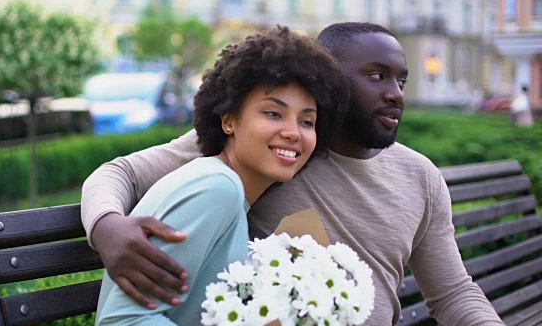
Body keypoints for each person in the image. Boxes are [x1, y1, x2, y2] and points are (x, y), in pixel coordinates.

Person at [82, 22, 505, 325]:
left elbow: (453, 294)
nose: (395, 93)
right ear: (331, 81)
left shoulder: (419, 176)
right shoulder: (259, 149)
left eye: (402, 80)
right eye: (376, 76)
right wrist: (106, 227)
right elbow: (121, 173)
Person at [93, 26, 349, 325]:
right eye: (273, 114)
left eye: (307, 121)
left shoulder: (229, 192)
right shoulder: (218, 188)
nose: (293, 132)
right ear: (229, 121)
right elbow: (121, 321)